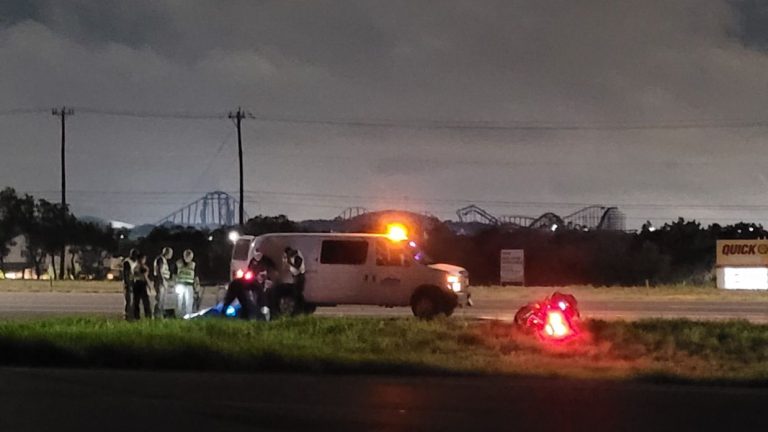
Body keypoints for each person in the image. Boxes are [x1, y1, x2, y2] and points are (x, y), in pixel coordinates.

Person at [175, 249, 197, 317]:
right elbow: (174, 274)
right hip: (180, 284)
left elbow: (196, 276)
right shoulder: (178, 263)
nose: (188, 257)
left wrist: (196, 285)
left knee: (189, 301)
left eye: (189, 256)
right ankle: (179, 315)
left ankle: (188, 316)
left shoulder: (193, 264)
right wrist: (174, 284)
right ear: (184, 255)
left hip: (189, 285)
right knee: (179, 301)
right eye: (187, 255)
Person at [153, 247, 173, 319]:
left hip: (163, 281)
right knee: (159, 299)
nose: (171, 255)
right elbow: (159, 271)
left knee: (162, 300)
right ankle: (157, 316)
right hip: (160, 281)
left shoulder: (164, 260)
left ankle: (159, 315)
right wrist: (163, 281)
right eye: (171, 253)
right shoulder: (160, 259)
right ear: (167, 253)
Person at [132, 254, 152, 320]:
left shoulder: (135, 267)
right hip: (140, 284)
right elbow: (145, 277)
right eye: (143, 259)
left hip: (138, 284)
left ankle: (139, 316)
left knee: (141, 302)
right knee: (142, 301)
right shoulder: (138, 267)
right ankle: (144, 316)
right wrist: (149, 285)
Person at [122, 248, 139, 320]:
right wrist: (127, 283)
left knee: (134, 301)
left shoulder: (135, 262)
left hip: (134, 283)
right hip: (129, 283)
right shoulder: (127, 262)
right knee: (129, 300)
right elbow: (126, 274)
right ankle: (127, 316)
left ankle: (132, 315)